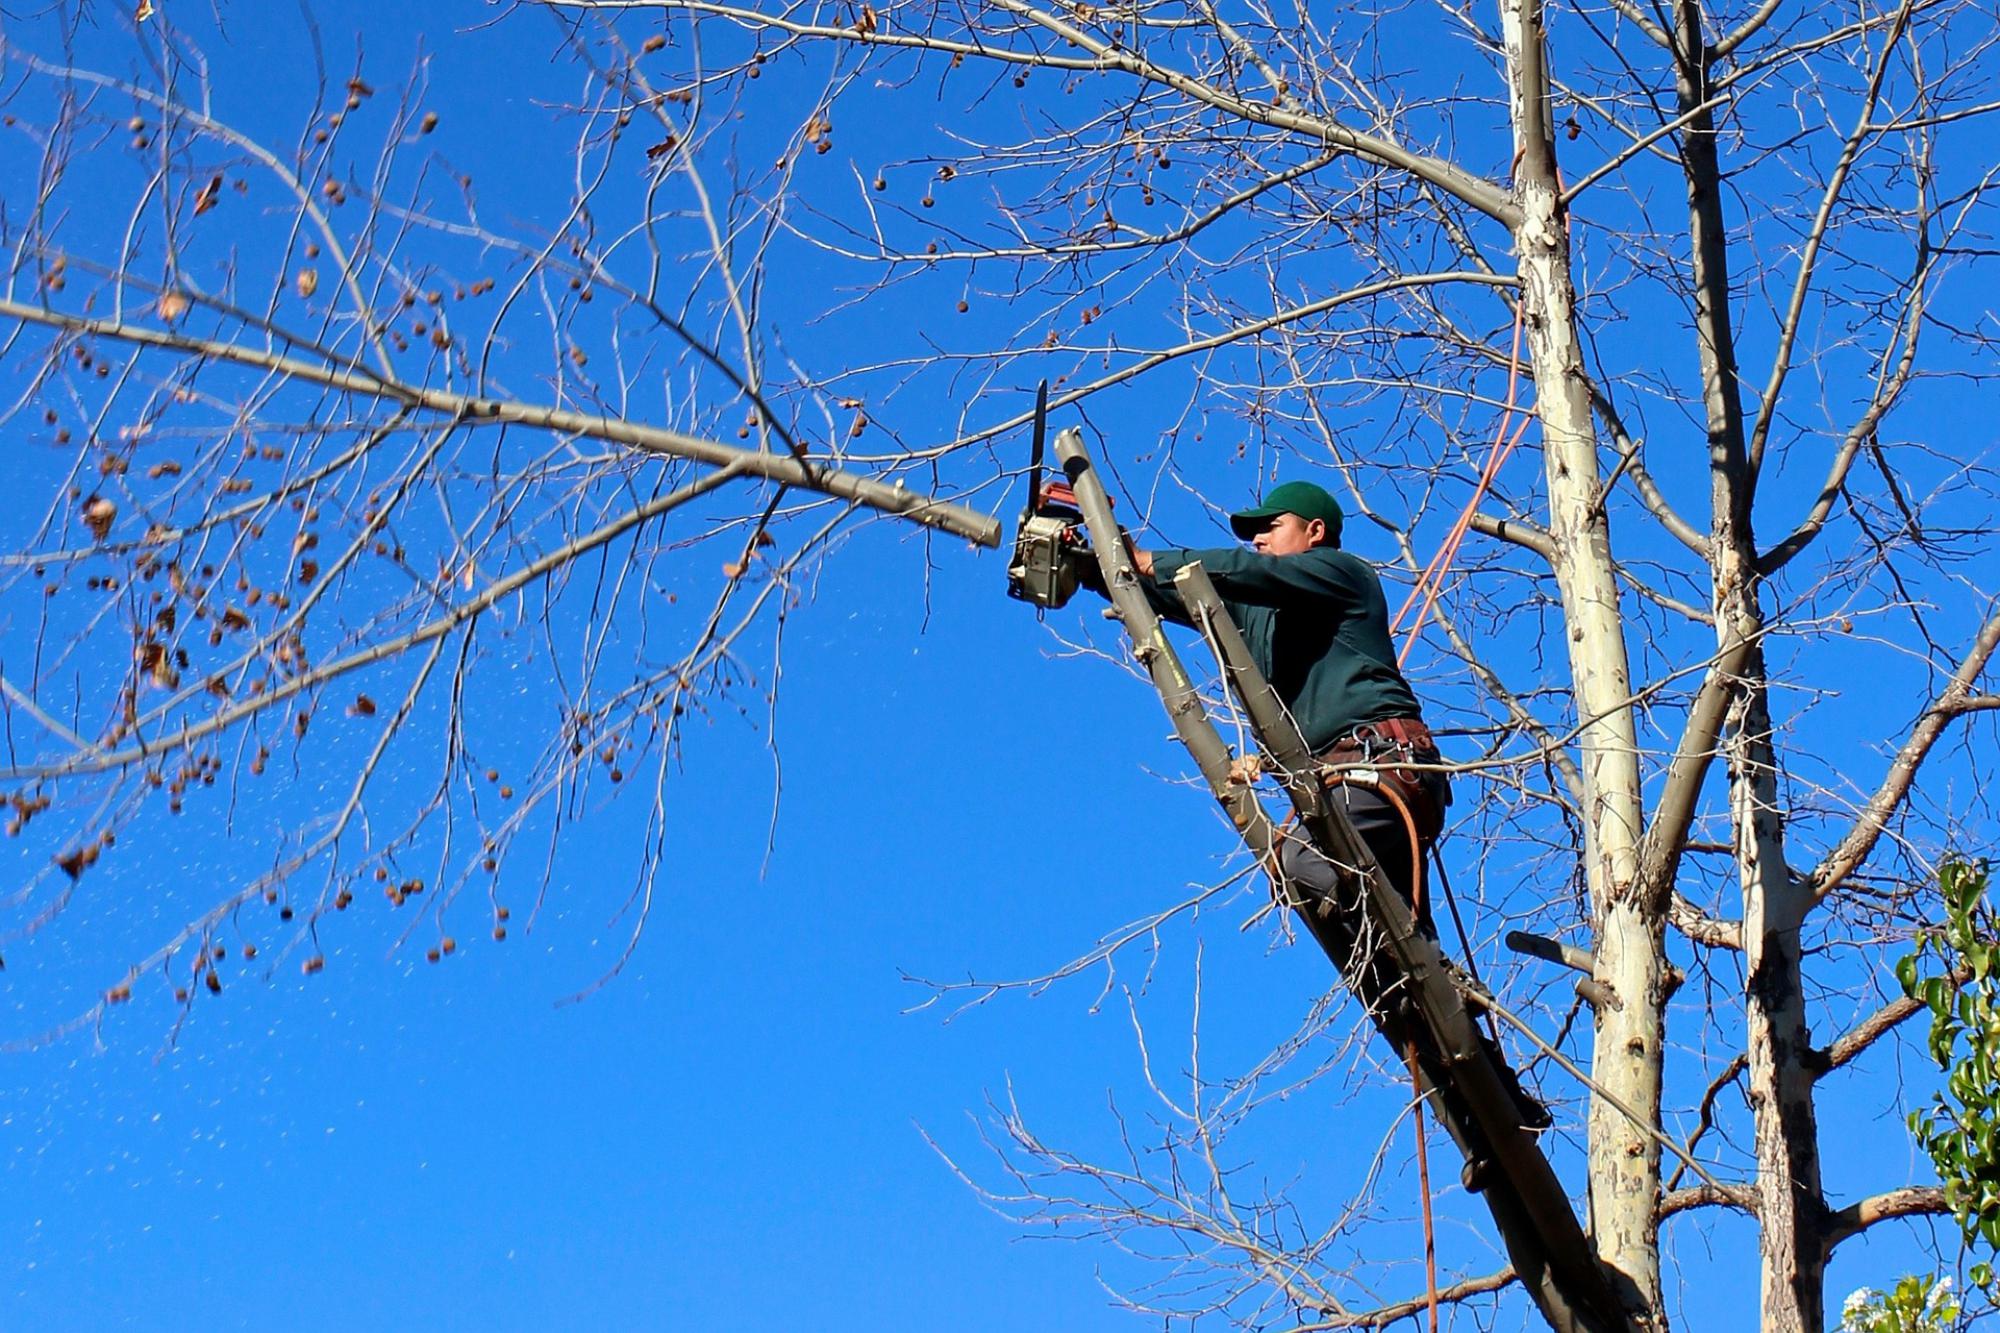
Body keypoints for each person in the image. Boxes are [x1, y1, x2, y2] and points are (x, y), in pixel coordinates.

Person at [1102, 479, 1450, 924]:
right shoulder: (1261, 615)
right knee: (1391, 950)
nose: (1258, 539)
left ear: (1315, 532)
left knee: (1305, 865)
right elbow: (1170, 595)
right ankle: (1424, 983)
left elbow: (1249, 572)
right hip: (1342, 781)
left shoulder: (1343, 572)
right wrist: (1097, 561)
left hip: (1381, 764)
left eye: (1271, 527)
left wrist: (1154, 561)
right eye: (1253, 534)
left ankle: (1408, 953)